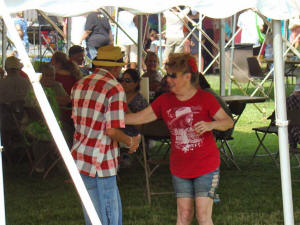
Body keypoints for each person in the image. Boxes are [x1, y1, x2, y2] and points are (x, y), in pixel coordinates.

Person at [125, 53, 233, 225]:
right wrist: (113, 118)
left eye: (173, 75)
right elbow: (139, 118)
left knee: (203, 215)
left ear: (187, 76)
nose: (168, 79)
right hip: (180, 167)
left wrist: (211, 125)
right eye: (167, 74)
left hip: (206, 166)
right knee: (183, 214)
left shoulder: (205, 99)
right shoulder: (164, 101)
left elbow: (228, 122)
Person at [71, 45, 140, 225]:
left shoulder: (79, 84)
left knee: (92, 214)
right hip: (102, 161)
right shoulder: (114, 88)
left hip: (80, 155)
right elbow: (112, 130)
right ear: (117, 67)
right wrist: (130, 141)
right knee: (110, 216)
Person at [118, 69, 148, 167]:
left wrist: (126, 109)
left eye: (127, 81)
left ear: (136, 83)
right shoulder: (118, 96)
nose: (123, 83)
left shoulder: (140, 101)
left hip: (132, 133)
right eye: (121, 80)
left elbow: (141, 127)